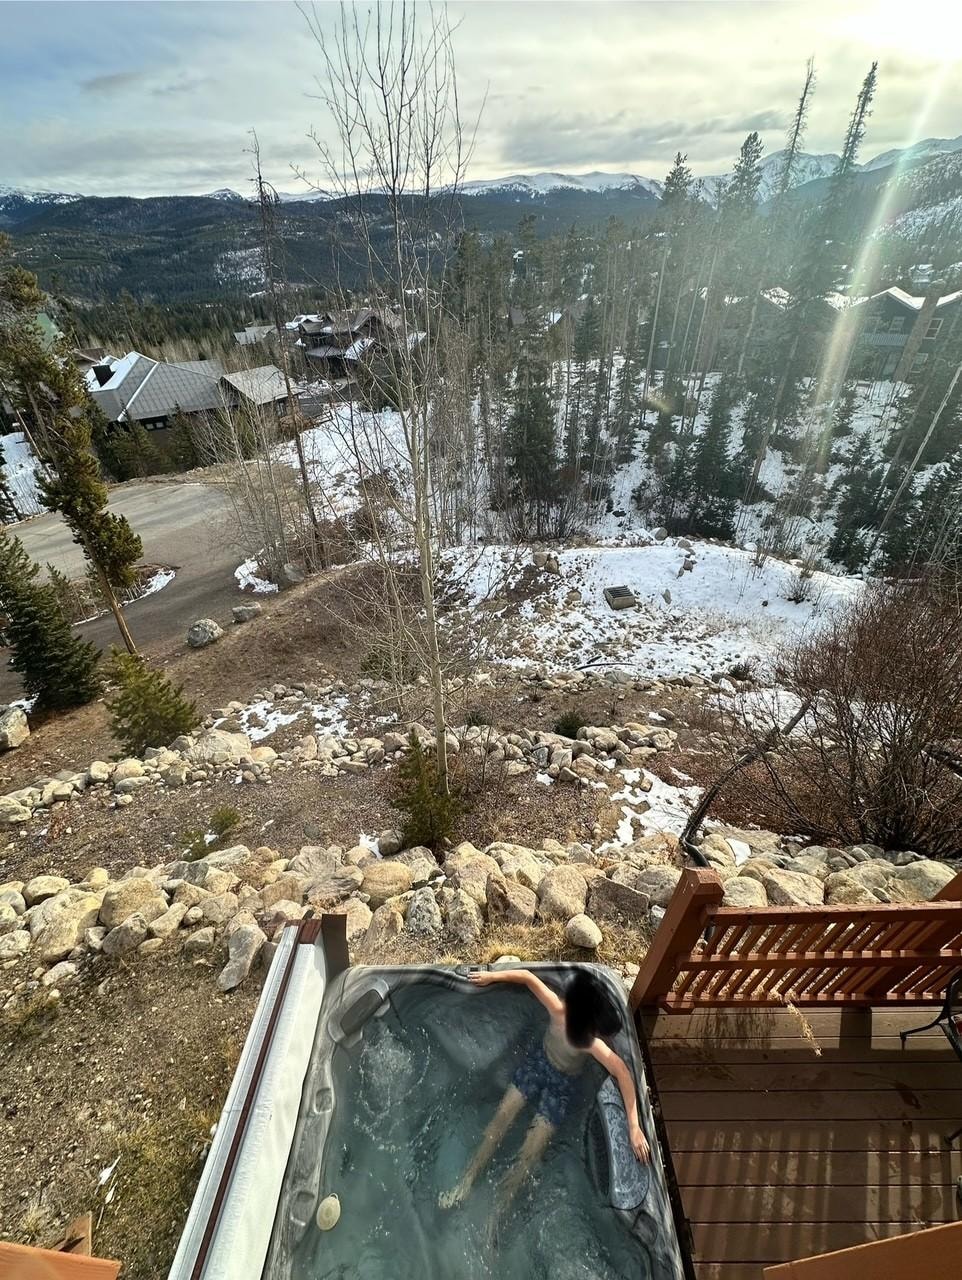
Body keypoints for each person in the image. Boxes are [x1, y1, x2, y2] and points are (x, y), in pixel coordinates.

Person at [439, 966, 650, 1215]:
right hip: (538, 1064)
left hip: (562, 1085)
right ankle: (466, 1182)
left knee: (530, 1152)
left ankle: (495, 1213)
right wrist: (491, 977)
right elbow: (528, 978)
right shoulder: (558, 1009)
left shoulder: (592, 1042)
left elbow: (622, 1071)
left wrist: (634, 1127)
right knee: (500, 1120)